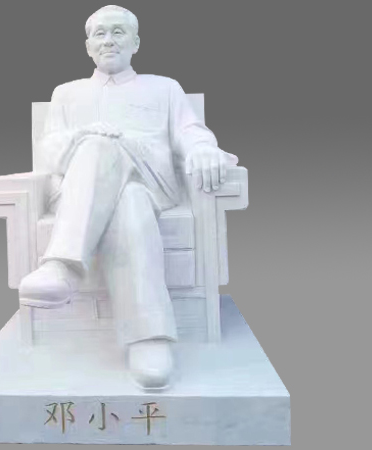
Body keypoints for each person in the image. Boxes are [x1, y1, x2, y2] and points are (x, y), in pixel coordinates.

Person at [18, 5, 237, 389]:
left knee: (110, 155)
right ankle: (148, 335)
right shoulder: (66, 94)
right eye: (100, 33)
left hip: (154, 181)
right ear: (88, 46)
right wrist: (83, 136)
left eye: (118, 32)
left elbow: (190, 131)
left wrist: (204, 148)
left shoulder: (164, 88)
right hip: (87, 190)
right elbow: (49, 150)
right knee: (126, 197)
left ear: (135, 42)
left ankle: (62, 266)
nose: (109, 40)